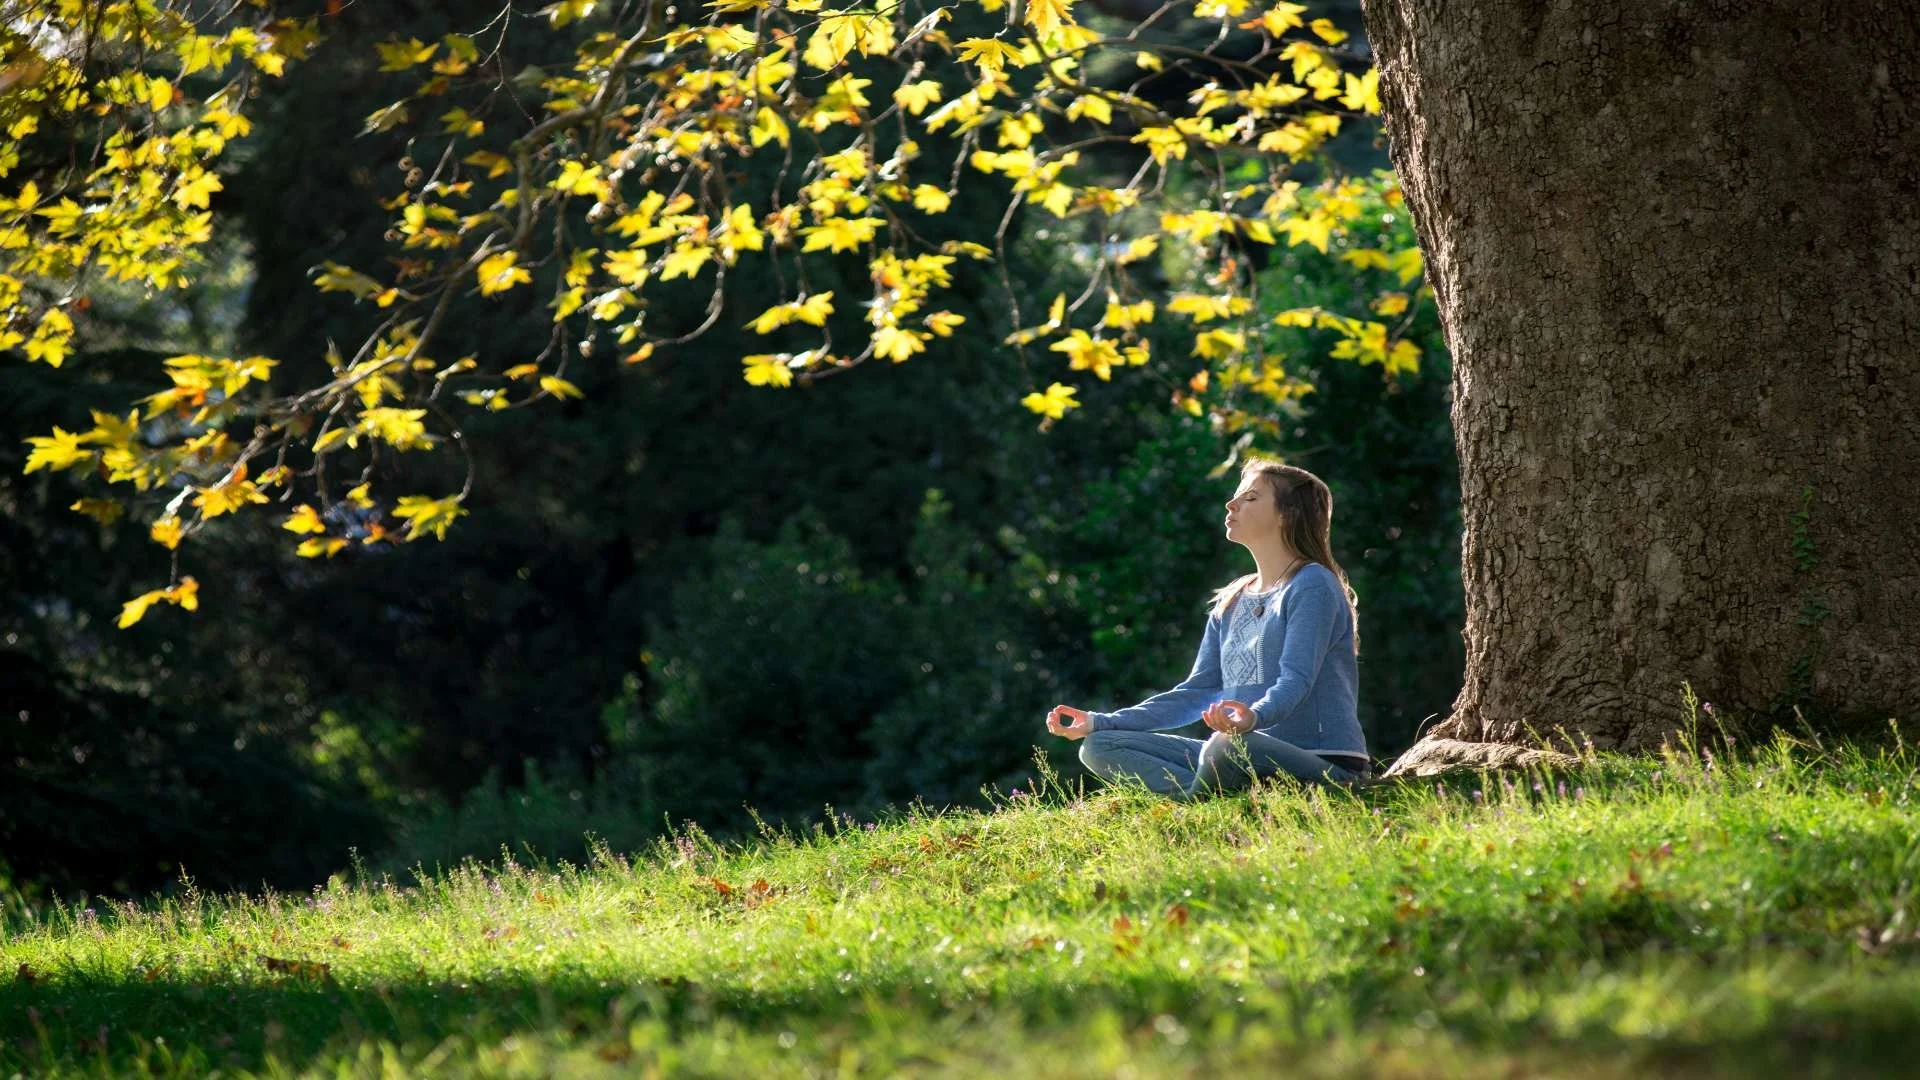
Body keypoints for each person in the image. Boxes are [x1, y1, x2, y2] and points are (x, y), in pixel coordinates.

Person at [1045, 459, 1369, 798]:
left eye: (1251, 498)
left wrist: (1253, 718)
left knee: (1223, 747)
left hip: (1323, 764)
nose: (1231, 504)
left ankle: (1194, 800)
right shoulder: (1232, 598)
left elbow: (1296, 679)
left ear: (1288, 514)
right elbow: (1196, 692)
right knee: (1099, 747)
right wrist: (1100, 722)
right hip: (1240, 756)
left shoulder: (1312, 584)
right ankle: (1210, 794)